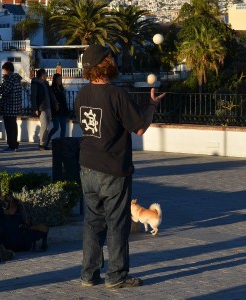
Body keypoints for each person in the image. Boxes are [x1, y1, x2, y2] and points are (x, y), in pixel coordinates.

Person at [74, 45, 166, 289]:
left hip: (87, 167)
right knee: (117, 223)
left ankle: (88, 275)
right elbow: (138, 128)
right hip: (113, 169)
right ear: (105, 64)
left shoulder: (81, 94)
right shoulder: (116, 94)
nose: (114, 59)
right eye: (111, 57)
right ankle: (116, 277)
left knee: (93, 222)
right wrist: (152, 106)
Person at [0, 62, 22, 151]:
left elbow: (4, 90)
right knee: (13, 126)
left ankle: (12, 145)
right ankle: (14, 144)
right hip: (15, 106)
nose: (3, 72)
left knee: (9, 127)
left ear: (7, 70)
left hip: (9, 106)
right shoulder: (16, 78)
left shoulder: (10, 79)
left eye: (4, 70)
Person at [30, 68, 57, 150]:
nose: (47, 75)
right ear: (42, 75)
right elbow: (33, 97)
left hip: (48, 107)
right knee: (44, 125)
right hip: (41, 107)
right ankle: (42, 144)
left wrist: (55, 103)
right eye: (46, 74)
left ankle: (44, 144)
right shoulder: (35, 84)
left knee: (47, 126)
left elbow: (51, 94)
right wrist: (35, 108)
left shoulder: (46, 83)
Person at [46, 73, 69, 147]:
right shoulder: (52, 88)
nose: (60, 80)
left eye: (61, 79)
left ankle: (62, 143)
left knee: (63, 128)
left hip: (63, 109)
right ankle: (47, 139)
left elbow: (64, 100)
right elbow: (52, 99)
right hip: (56, 110)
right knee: (56, 127)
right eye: (59, 79)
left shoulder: (62, 88)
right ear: (55, 80)